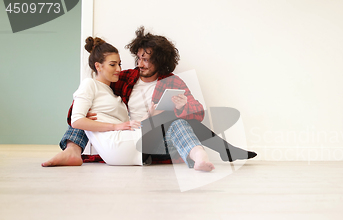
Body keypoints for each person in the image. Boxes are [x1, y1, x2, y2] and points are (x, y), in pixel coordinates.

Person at [42, 27, 256, 168]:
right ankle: (71, 151)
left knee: (177, 119)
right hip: (127, 136)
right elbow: (85, 101)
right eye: (138, 58)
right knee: (89, 115)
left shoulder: (172, 82)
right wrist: (84, 114)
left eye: (146, 60)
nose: (140, 64)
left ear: (160, 61)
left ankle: (210, 154)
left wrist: (179, 108)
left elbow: (198, 112)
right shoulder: (123, 78)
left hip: (156, 140)